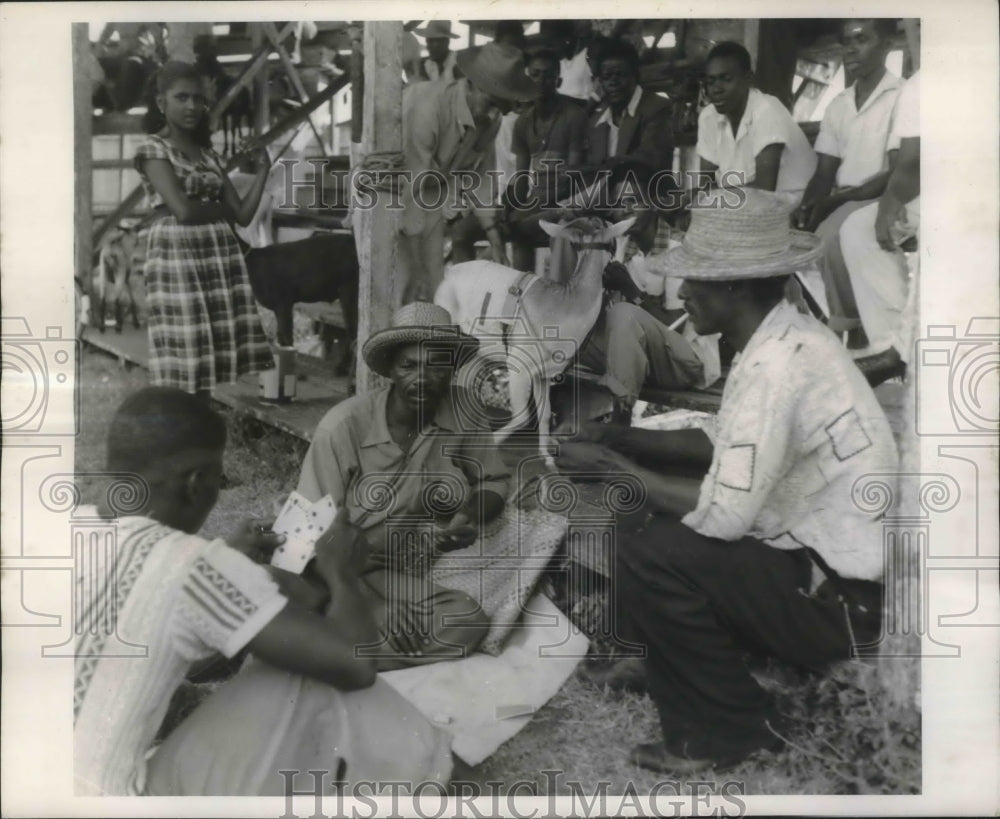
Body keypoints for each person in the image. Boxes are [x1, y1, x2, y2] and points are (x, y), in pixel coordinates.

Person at [559, 189, 899, 773]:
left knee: (654, 547)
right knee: (649, 493)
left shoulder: (778, 365)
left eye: (696, 280)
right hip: (818, 567)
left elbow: (726, 513)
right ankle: (656, 655)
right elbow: (727, 444)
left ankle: (725, 732)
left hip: (839, 606)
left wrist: (612, 469)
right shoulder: (780, 336)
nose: (682, 290)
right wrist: (627, 441)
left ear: (737, 286)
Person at [74, 387, 452, 796]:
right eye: (217, 478)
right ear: (196, 483)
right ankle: (433, 775)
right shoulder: (194, 565)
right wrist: (341, 572)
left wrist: (231, 563)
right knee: (301, 672)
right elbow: (356, 667)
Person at [296, 302, 510, 669]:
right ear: (391, 371)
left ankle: (339, 654)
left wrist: (470, 515)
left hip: (398, 567)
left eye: (436, 365)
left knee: (466, 620)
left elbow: (493, 479)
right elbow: (305, 537)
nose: (422, 378)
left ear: (453, 369)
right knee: (298, 597)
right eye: (409, 365)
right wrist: (375, 607)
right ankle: (337, 644)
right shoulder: (344, 426)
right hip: (333, 568)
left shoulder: (464, 412)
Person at [134, 61, 275, 399]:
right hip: (176, 256)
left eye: (198, 99)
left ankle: (199, 429)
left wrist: (264, 168)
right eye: (181, 98)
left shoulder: (208, 155)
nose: (192, 107)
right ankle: (179, 433)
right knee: (185, 353)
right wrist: (219, 210)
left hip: (217, 257)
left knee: (207, 357)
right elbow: (182, 211)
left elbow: (241, 215)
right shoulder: (153, 150)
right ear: (161, 104)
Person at [399, 43, 540, 302]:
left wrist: (494, 238)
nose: (496, 113)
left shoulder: (489, 117)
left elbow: (482, 179)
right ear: (472, 85)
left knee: (435, 286)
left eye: (503, 107)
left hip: (430, 195)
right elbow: (410, 184)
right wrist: (415, 255)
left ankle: (425, 337)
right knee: (405, 281)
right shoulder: (427, 107)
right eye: (492, 102)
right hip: (388, 195)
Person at [793, 19, 902, 340]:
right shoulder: (838, 105)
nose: (850, 48)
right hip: (845, 198)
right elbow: (824, 171)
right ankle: (840, 325)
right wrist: (810, 203)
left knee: (832, 233)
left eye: (861, 39)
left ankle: (853, 328)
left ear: (886, 45)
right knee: (801, 235)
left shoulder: (902, 95)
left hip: (885, 196)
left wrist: (835, 202)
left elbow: (896, 172)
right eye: (846, 41)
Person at [841, 70, 920, 385]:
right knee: (858, 227)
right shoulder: (919, 85)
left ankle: (902, 352)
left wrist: (891, 201)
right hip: (936, 193)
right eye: (914, 28)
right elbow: (904, 161)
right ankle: (895, 349)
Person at [696, 41, 817, 203]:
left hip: (792, 203)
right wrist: (695, 199)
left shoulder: (767, 110)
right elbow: (706, 184)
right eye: (710, 82)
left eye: (726, 79)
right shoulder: (708, 117)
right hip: (741, 204)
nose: (716, 89)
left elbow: (764, 190)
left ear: (748, 79)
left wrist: (707, 197)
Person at [504, 46, 591, 270]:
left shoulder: (573, 116)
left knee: (519, 227)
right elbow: (522, 177)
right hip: (537, 202)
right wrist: (512, 205)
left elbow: (572, 180)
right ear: (527, 78)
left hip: (568, 202)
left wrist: (527, 209)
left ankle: (533, 289)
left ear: (558, 81)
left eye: (548, 76)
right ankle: (521, 291)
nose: (541, 81)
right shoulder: (523, 122)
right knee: (505, 223)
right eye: (535, 75)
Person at [581, 38, 676, 190]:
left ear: (636, 76)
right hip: (604, 204)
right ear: (600, 81)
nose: (613, 82)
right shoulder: (597, 118)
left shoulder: (658, 107)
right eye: (607, 77)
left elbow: (647, 161)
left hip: (649, 204)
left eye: (620, 75)